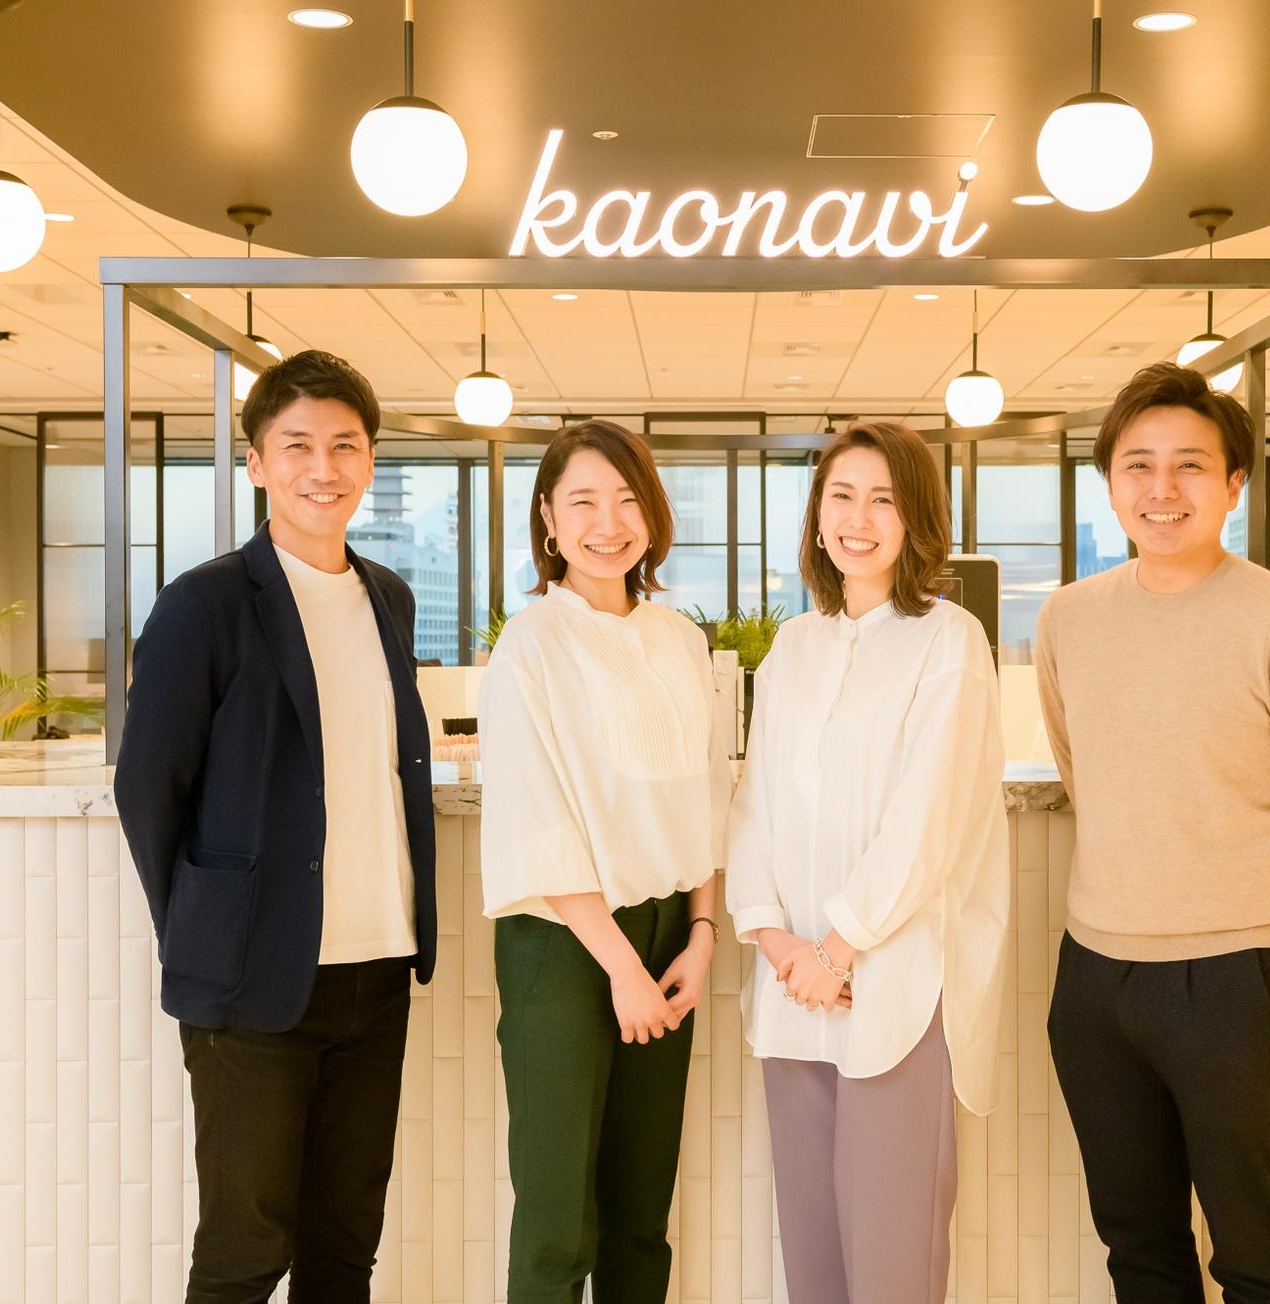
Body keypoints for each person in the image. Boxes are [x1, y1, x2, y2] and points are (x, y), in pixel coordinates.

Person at [1034, 362, 1270, 1303]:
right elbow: (1082, 772)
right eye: (1138, 465)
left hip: (1234, 973)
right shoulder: (1068, 619)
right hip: (1095, 976)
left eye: (1190, 465)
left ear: (1233, 484)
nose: (1162, 488)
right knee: (1138, 1247)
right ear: (1110, 484)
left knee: (1254, 1255)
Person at [114, 349, 437, 1303]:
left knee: (344, 1250)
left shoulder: (389, 597)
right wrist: (207, 929)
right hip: (250, 980)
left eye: (344, 445)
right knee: (245, 1253)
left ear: (370, 461)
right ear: (256, 462)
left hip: (377, 970)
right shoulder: (204, 603)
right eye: (296, 445)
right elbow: (148, 788)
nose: (322, 468)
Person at [727, 421, 1010, 1304]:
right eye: (842, 496)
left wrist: (837, 949)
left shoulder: (950, 641)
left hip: (895, 985)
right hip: (793, 989)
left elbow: (927, 818)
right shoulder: (793, 647)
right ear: (817, 516)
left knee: (893, 1260)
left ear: (916, 518)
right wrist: (778, 943)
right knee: (813, 1257)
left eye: (884, 499)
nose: (859, 518)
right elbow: (755, 803)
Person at [478, 419, 730, 1304]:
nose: (608, 523)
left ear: (652, 515)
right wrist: (622, 967)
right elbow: (538, 819)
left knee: (639, 1214)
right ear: (549, 520)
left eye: (627, 500)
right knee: (557, 1225)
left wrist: (702, 934)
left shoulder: (681, 641)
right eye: (582, 501)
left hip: (669, 940)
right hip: (564, 946)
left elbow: (706, 794)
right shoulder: (531, 644)